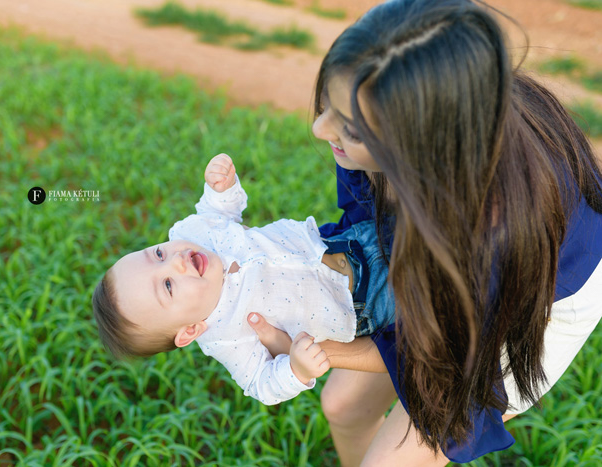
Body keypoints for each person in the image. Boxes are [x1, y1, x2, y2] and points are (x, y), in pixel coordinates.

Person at [246, 0, 602, 464]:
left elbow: (438, 352)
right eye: (327, 105)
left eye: (349, 128)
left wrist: (318, 348)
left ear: (420, 144)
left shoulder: (487, 231)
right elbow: (370, 240)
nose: (319, 129)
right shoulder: (417, 115)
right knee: (341, 405)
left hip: (538, 298)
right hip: (448, 262)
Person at [92, 154, 396, 405]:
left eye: (157, 254)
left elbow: (216, 211)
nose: (176, 262)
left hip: (350, 242)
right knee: (429, 291)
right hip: (365, 302)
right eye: (168, 285)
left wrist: (220, 188)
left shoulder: (192, 235)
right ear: (189, 332)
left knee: (414, 230)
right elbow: (260, 384)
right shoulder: (226, 338)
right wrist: (295, 369)